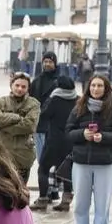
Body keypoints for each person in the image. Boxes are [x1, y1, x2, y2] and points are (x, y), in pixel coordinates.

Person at [65, 74, 112, 224]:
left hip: (105, 164)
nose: (96, 89)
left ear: (106, 88)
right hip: (81, 163)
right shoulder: (79, 107)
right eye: (93, 85)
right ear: (88, 88)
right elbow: (68, 132)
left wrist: (104, 138)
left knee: (102, 204)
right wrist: (82, 135)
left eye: (100, 86)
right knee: (80, 204)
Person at [30, 75, 78, 212]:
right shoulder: (78, 100)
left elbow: (44, 114)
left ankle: (42, 200)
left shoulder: (55, 99)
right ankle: (66, 202)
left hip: (54, 141)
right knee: (66, 170)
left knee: (43, 169)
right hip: (71, 142)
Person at [0, 72, 40, 184]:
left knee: (20, 192)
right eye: (17, 85)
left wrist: (4, 126)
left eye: (23, 86)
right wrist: (15, 117)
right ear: (11, 85)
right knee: (2, 191)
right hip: (3, 156)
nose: (20, 89)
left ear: (28, 88)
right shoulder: (1, 102)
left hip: (23, 157)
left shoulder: (34, 104)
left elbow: (30, 126)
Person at [30, 52, 60, 200]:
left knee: (53, 160)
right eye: (45, 61)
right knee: (43, 160)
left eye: (50, 62)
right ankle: (47, 190)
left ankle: (53, 190)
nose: (47, 64)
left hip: (54, 127)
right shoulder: (37, 81)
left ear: (55, 63)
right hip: (40, 127)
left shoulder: (60, 81)